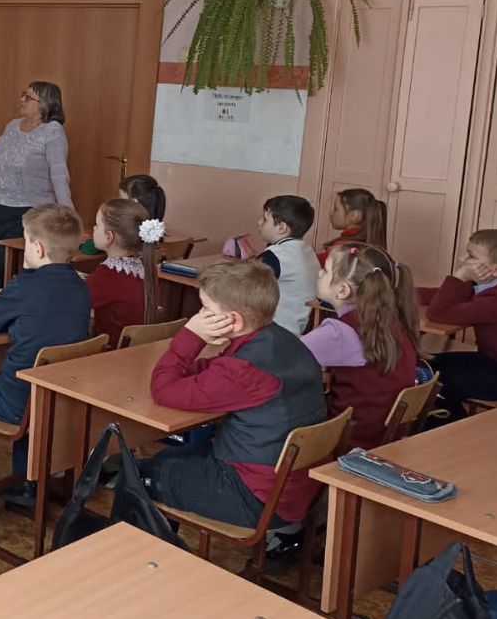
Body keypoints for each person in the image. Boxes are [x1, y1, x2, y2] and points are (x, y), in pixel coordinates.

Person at [141, 261, 327, 531]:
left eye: (206, 309)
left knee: (136, 474)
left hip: (253, 495)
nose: (200, 316)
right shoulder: (283, 341)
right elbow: (219, 373)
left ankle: (129, 563)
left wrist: (191, 336)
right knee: (165, 459)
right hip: (288, 487)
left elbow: (162, 390)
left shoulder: (242, 371)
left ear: (235, 320)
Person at [0, 204, 91, 517]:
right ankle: (27, 483)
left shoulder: (25, 286)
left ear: (36, 248)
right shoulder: (80, 287)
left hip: (13, 401)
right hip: (55, 400)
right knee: (31, 378)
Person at [301, 244, 420, 449]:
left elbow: (282, 357)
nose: (320, 273)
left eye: (326, 270)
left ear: (343, 290)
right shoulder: (389, 319)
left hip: (348, 437)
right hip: (380, 433)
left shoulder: (339, 332)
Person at [426, 228, 497, 421]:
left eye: (471, 256)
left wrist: (461, 276)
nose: (462, 259)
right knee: (427, 365)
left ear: (496, 270)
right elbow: (445, 296)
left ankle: (450, 426)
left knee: (433, 378)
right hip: (496, 363)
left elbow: (438, 313)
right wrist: (400, 291)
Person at [0, 81, 73, 288]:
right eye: (24, 94)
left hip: (29, 213)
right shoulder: (12, 126)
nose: (22, 99)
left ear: (45, 105)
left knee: (12, 273)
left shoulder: (53, 131)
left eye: (29, 97)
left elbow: (59, 176)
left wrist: (69, 216)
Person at [85, 197, 161, 346]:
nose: (93, 228)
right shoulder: (147, 267)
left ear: (109, 237)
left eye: (97, 225)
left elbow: (71, 303)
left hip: (110, 354)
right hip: (138, 350)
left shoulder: (106, 276)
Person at [256, 195, 321, 336]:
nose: (259, 222)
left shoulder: (276, 256)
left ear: (282, 228)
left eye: (265, 219)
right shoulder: (306, 250)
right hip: (299, 327)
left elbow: (245, 285)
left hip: (276, 330)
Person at [318, 188, 386, 265]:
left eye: (336, 209)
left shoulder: (342, 249)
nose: (331, 213)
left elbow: (311, 265)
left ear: (354, 215)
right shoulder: (367, 243)